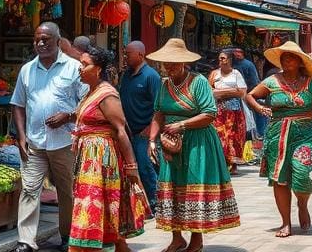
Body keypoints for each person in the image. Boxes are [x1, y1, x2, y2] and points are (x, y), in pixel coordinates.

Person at [146, 38, 239, 252]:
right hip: (171, 144)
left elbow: (209, 114)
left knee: (194, 187)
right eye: (165, 63)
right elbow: (159, 113)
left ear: (184, 63)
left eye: (173, 63)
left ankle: (197, 239)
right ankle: (176, 237)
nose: (169, 67)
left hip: (198, 142)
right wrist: (151, 140)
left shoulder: (198, 82)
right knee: (171, 187)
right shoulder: (165, 84)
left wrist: (182, 124)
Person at [12, 22, 85, 252]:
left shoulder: (74, 68)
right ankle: (26, 240)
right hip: (34, 143)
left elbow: (86, 103)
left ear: (58, 40)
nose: (41, 43)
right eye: (37, 39)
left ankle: (67, 235)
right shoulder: (27, 70)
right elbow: (18, 104)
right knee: (29, 190)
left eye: (46, 39)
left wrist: (68, 115)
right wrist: (21, 136)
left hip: (64, 142)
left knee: (67, 191)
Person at [245, 41, 312, 238]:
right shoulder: (272, 81)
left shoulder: (310, 82)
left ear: (300, 62)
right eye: (283, 57)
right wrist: (259, 108)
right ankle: (285, 222)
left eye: (290, 56)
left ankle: (302, 203)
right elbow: (250, 96)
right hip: (277, 135)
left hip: (305, 134)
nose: (286, 60)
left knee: (301, 173)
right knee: (280, 179)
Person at [69, 46, 148, 252]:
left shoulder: (106, 94)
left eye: (85, 65)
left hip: (101, 158)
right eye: (80, 64)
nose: (80, 68)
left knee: (92, 204)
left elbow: (121, 130)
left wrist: (131, 166)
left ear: (98, 69)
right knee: (99, 204)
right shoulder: (91, 92)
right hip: (89, 157)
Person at [118, 41, 161, 210]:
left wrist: (150, 129)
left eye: (128, 54)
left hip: (144, 131)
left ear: (140, 55)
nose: (125, 57)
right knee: (131, 168)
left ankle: (155, 203)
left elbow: (159, 106)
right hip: (128, 132)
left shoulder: (151, 76)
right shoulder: (126, 75)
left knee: (145, 167)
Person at [209, 51, 246, 174]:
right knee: (220, 136)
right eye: (219, 58)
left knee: (233, 136)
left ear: (230, 59)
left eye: (223, 58)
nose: (221, 60)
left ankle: (234, 164)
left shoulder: (236, 74)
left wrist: (221, 92)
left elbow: (241, 92)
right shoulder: (214, 74)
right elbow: (210, 91)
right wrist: (231, 90)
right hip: (219, 111)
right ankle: (223, 163)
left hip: (233, 111)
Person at [230, 48, 264, 139]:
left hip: (250, 91)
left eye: (239, 52)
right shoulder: (233, 64)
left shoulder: (248, 64)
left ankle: (260, 132)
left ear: (243, 53)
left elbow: (254, 80)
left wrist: (250, 93)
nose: (236, 54)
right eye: (235, 52)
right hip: (238, 93)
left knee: (257, 111)